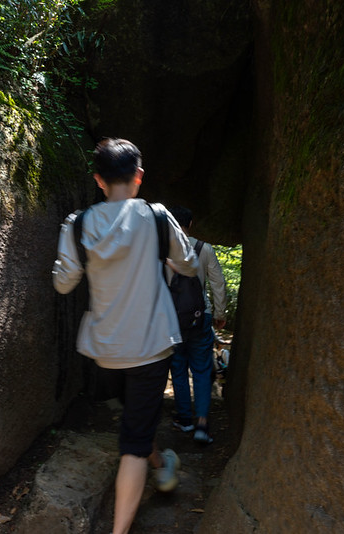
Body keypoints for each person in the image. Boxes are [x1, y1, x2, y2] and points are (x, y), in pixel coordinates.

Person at [53, 139, 199, 534]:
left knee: (136, 417)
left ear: (99, 180)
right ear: (139, 177)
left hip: (104, 350)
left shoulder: (77, 223)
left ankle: (160, 464)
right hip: (150, 346)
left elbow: (64, 284)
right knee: (133, 439)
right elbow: (187, 263)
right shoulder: (156, 217)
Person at [166, 206, 228, 444]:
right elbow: (218, 283)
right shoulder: (204, 249)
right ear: (190, 224)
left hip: (172, 320)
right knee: (202, 371)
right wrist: (219, 313)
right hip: (200, 316)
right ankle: (202, 424)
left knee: (178, 368)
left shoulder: (162, 250)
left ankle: (184, 418)